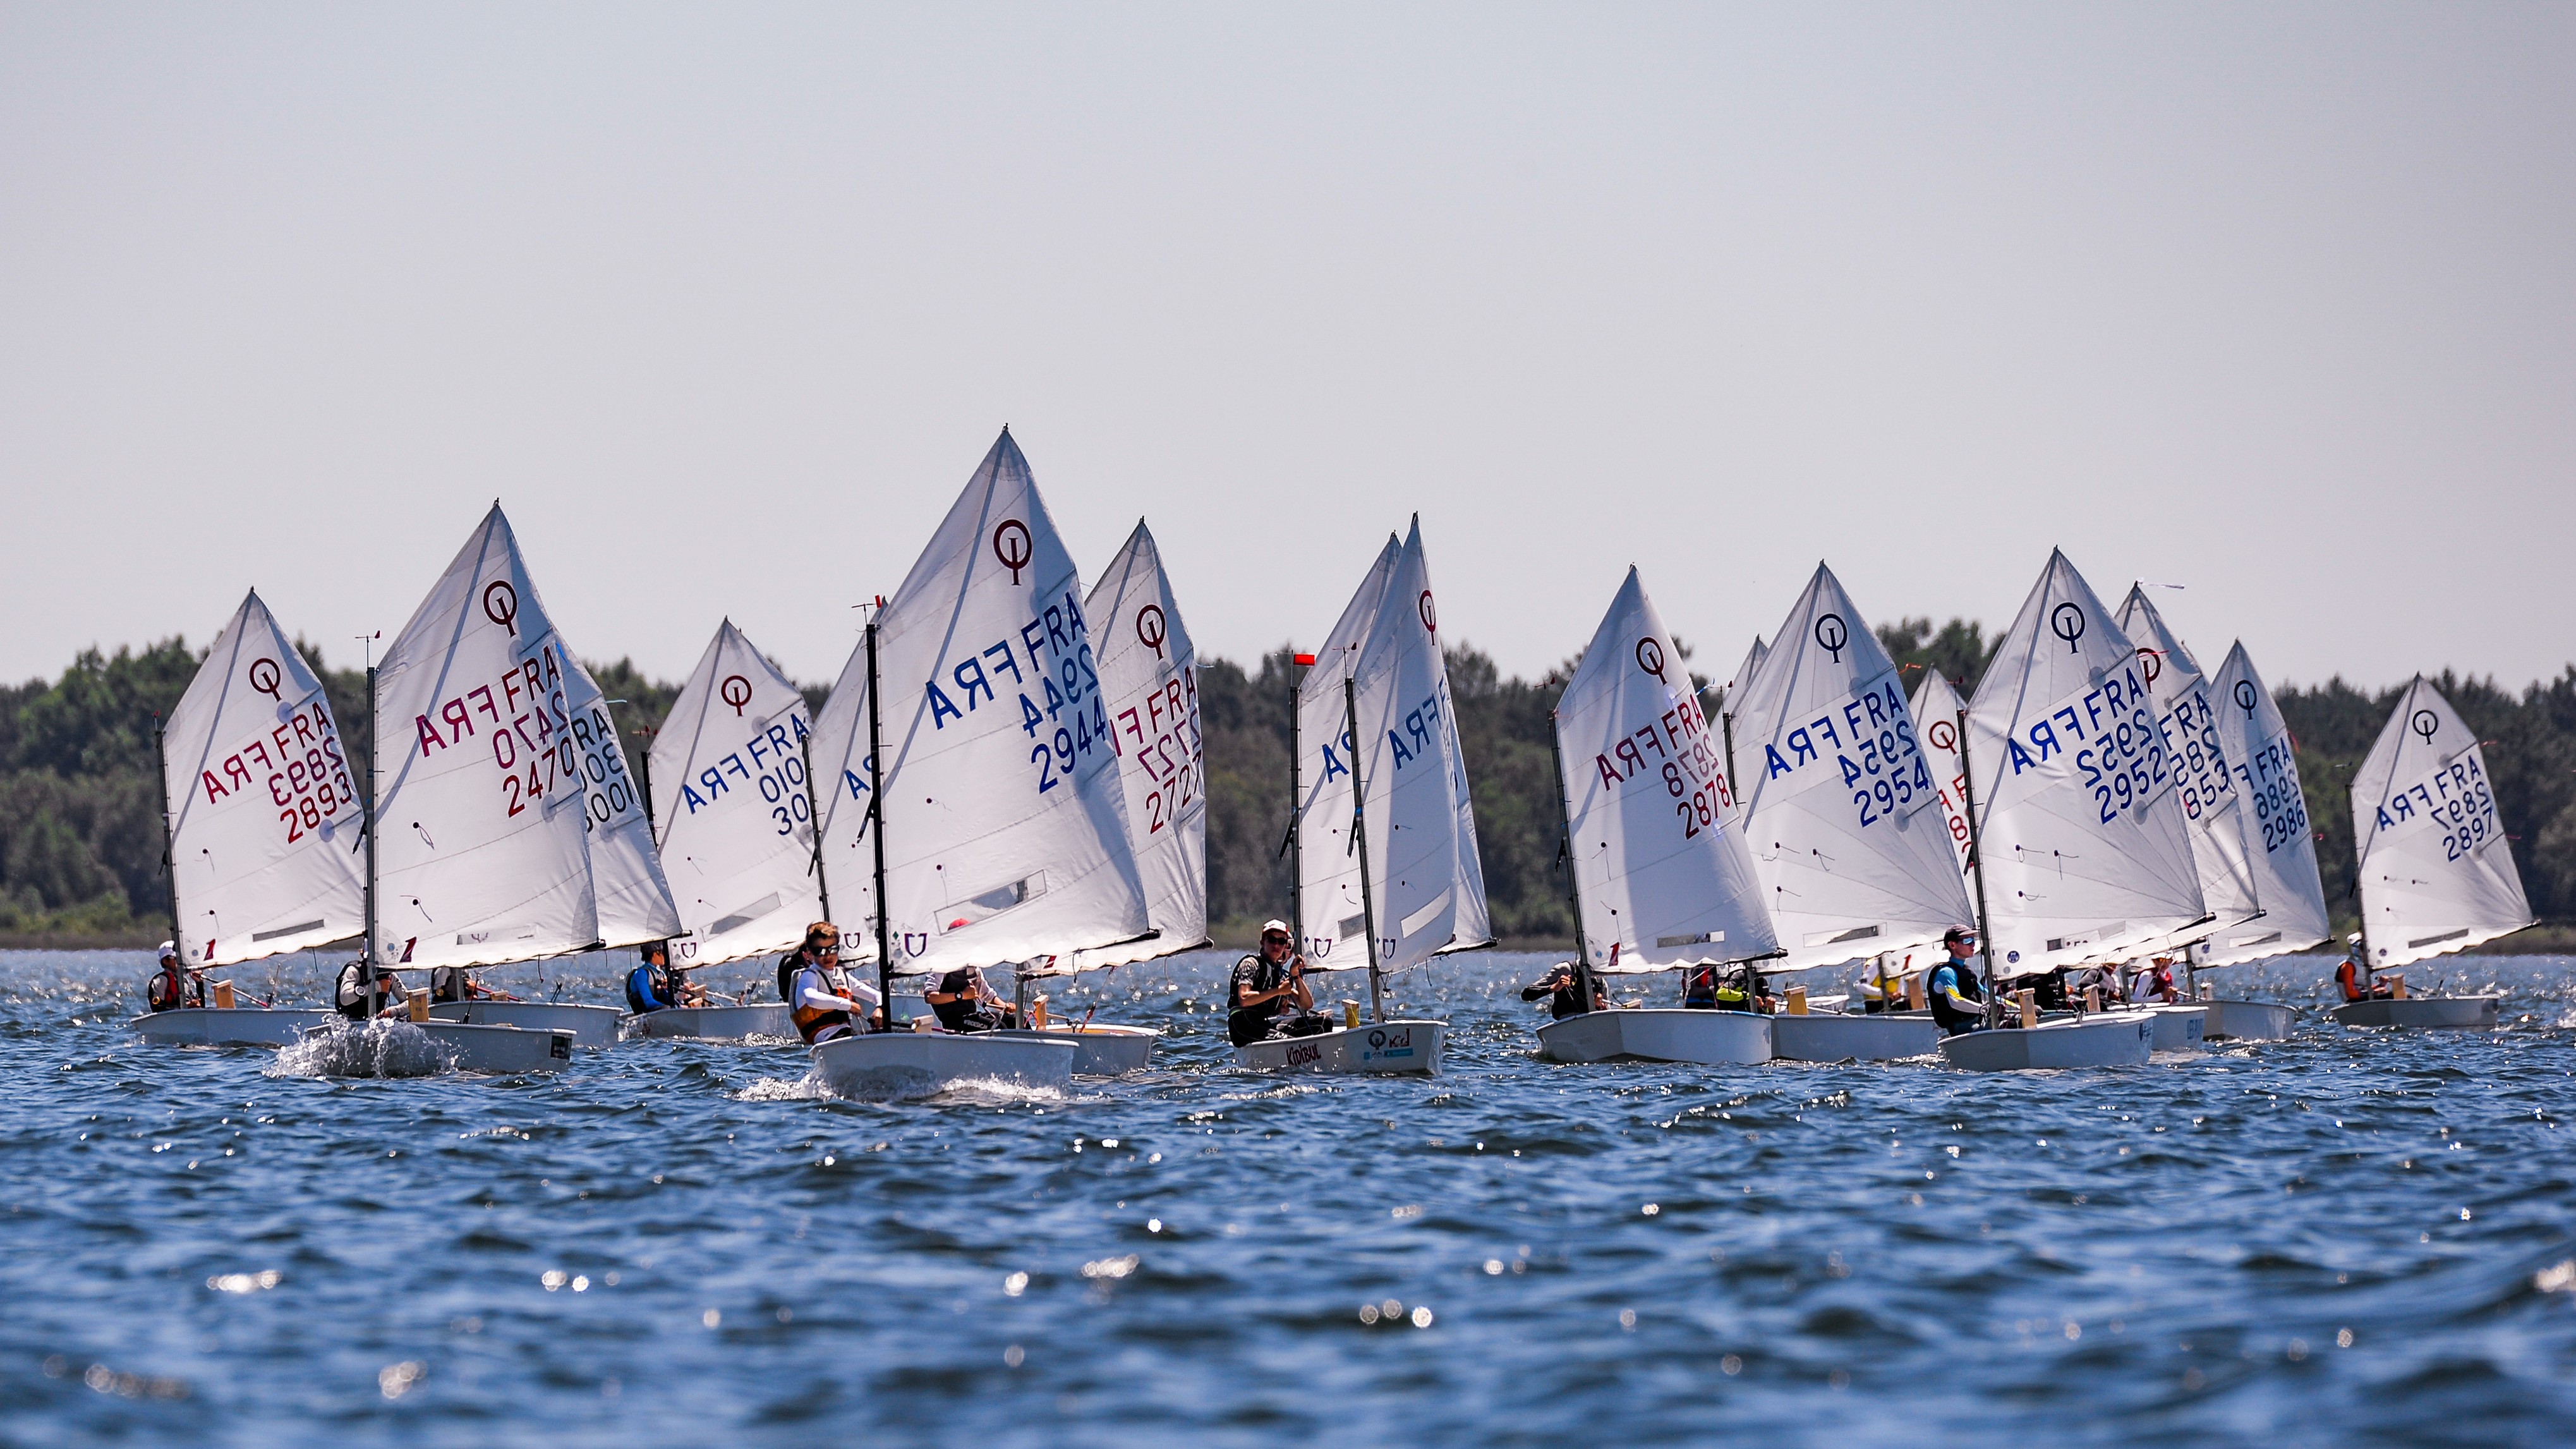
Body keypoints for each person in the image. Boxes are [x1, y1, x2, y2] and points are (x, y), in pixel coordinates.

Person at [1229, 920, 1327, 1046]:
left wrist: (1296, 976)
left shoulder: (1278, 974)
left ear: (1285, 946)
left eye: (1281, 942)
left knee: (1323, 1023)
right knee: (1291, 1043)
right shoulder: (1251, 964)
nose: (1276, 945)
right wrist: (1279, 991)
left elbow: (1307, 1004)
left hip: (1262, 1024)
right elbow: (1244, 999)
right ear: (1263, 942)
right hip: (1243, 1025)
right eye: (1272, 940)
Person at [783, 923, 881, 1044]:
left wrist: (880, 1008)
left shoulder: (843, 976)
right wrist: (848, 1005)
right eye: (820, 951)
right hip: (826, 1039)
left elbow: (877, 995)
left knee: (882, 1034)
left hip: (846, 1035)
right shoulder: (809, 976)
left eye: (833, 949)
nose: (827, 956)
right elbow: (812, 999)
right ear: (809, 954)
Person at [1925, 927, 1987, 1036]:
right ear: (1952, 945)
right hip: (1959, 1030)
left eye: (1973, 941)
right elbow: (1955, 1001)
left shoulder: (1967, 971)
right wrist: (1982, 1009)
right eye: (1968, 941)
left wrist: (2012, 1005)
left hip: (1976, 1024)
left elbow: (1986, 993)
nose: (1973, 945)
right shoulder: (1946, 973)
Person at [926, 966, 1019, 1033]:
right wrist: (962, 995)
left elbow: (987, 995)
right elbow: (930, 997)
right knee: (997, 1027)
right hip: (954, 1021)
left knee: (1017, 1021)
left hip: (971, 1016)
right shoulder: (940, 966)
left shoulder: (972, 967)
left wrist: (1005, 1006)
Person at [624, 942, 698, 1014]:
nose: (666, 957)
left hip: (661, 1012)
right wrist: (673, 1008)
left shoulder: (661, 973)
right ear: (655, 954)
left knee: (690, 1002)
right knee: (667, 1008)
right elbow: (649, 1002)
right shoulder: (641, 974)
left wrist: (679, 1005)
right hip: (646, 1013)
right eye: (664, 954)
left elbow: (668, 998)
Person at [1521, 961, 1605, 1019]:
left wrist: (1599, 1006)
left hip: (1591, 1026)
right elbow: (1526, 995)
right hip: (1566, 1023)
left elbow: (1607, 1017)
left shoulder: (1601, 981)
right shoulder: (1565, 970)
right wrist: (1553, 987)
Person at [334, 959, 408, 1021]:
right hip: (349, 1023)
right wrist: (378, 986)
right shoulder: (354, 971)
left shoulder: (390, 976)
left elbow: (410, 1003)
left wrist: (393, 1012)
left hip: (374, 1024)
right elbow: (345, 999)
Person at [144, 942, 202, 1012]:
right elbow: (157, 1007)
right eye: (175, 959)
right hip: (168, 1018)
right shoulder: (161, 980)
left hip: (186, 1017)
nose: (180, 962)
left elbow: (202, 1008)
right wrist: (187, 1006)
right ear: (165, 961)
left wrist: (199, 983)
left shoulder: (184, 981)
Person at [2337, 936, 2396, 1002]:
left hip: (2364, 1000)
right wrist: (2374, 992)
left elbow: (2364, 990)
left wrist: (2381, 985)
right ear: (2356, 950)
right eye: (2364, 948)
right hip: (2352, 1002)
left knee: (2401, 994)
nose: (2367, 952)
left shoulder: (2363, 966)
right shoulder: (2348, 967)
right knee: (2391, 995)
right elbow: (2350, 994)